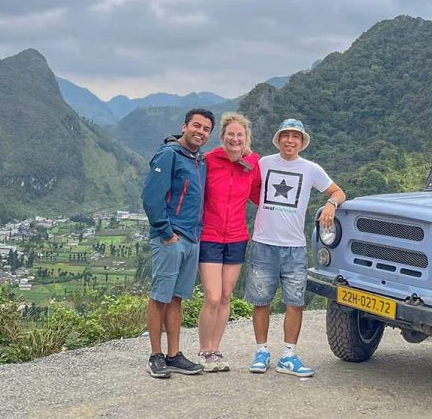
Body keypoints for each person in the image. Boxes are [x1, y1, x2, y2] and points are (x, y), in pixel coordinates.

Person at [245, 118, 346, 377]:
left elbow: (338, 192)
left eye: (296, 137)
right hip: (263, 243)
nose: (290, 140)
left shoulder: (311, 169)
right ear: (278, 139)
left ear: (302, 142)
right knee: (261, 301)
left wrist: (330, 205)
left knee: (295, 302)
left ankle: (288, 355)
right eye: (286, 135)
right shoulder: (263, 163)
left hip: (295, 247)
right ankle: (261, 351)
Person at [142, 108, 214, 378]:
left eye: (206, 129)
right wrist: (165, 231)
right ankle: (155, 355)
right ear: (184, 127)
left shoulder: (199, 160)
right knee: (160, 296)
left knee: (176, 298)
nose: (200, 131)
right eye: (196, 126)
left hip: (192, 237)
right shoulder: (169, 154)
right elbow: (151, 197)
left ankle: (174, 354)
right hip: (171, 237)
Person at [197, 113, 261, 372]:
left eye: (240, 135)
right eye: (230, 135)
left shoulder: (253, 164)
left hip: (237, 236)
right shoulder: (209, 161)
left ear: (247, 139)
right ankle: (204, 351)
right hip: (210, 236)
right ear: (222, 137)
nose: (235, 139)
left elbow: (260, 195)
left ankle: (215, 349)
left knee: (225, 296)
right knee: (212, 297)